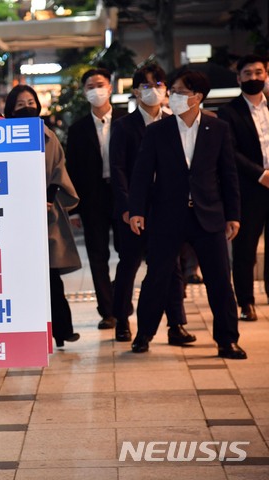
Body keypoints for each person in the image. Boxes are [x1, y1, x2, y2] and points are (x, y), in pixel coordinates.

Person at [128, 70, 247, 359]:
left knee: (219, 279)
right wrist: (137, 211)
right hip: (167, 215)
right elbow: (142, 173)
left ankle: (227, 340)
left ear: (197, 97)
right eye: (174, 91)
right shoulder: (159, 130)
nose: (174, 96)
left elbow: (228, 174)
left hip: (208, 215)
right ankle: (144, 335)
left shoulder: (216, 128)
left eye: (181, 92)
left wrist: (233, 215)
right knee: (157, 276)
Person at [109, 64, 195, 346]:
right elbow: (118, 169)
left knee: (172, 267)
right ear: (135, 91)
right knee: (129, 264)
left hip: (168, 208)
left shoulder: (175, 120)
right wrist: (127, 207)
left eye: (159, 84)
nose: (154, 90)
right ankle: (122, 320)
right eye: (146, 86)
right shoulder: (123, 126)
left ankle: (176, 324)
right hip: (134, 208)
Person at [4, 84, 81, 348]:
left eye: (30, 102)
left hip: (44, 217)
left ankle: (63, 330)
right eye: (20, 104)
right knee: (19, 278)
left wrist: (47, 199)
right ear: (10, 110)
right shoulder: (0, 138)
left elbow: (59, 171)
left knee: (50, 275)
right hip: (11, 219)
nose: (27, 107)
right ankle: (25, 333)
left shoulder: (48, 136)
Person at [65, 68, 120, 330]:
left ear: (110, 87)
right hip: (91, 199)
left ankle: (120, 302)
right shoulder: (77, 129)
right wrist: (73, 209)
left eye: (100, 84)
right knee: (97, 256)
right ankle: (107, 311)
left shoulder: (126, 121)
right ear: (84, 92)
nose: (96, 90)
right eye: (90, 86)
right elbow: (72, 169)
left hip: (123, 197)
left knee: (129, 253)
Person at [218, 54, 269, 322]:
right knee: (245, 248)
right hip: (249, 188)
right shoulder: (229, 112)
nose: (254, 78)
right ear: (239, 79)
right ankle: (246, 302)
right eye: (247, 73)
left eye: (258, 72)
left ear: (266, 74)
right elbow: (231, 152)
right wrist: (261, 175)